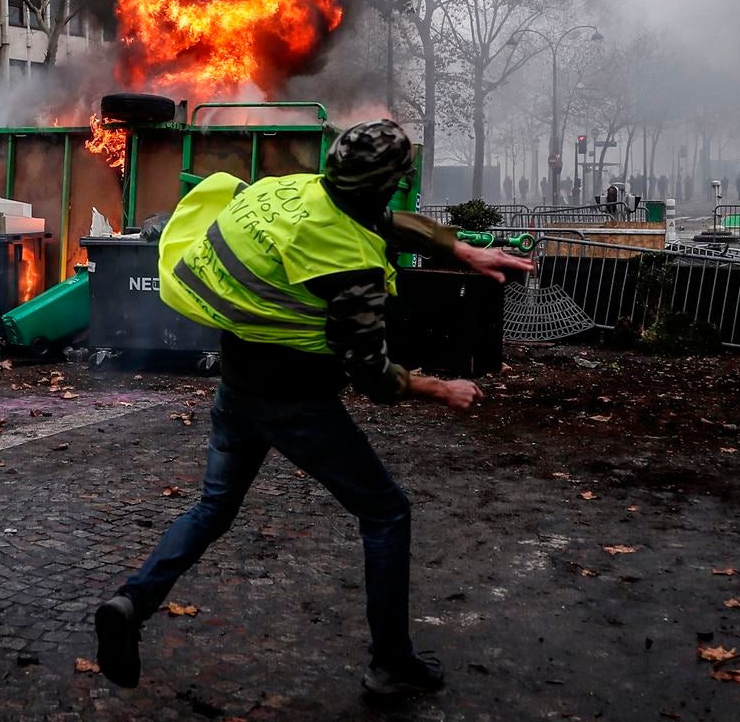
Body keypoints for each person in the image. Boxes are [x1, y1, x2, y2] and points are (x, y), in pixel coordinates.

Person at [93, 120, 534, 697]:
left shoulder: (297, 190)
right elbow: (371, 374)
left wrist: (463, 248)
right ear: (391, 182)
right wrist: (439, 388)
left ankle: (133, 600)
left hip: (238, 385)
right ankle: (391, 665)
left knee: (213, 508)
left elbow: (381, 219)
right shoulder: (351, 267)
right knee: (385, 513)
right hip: (296, 402)